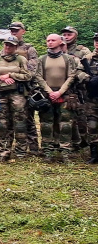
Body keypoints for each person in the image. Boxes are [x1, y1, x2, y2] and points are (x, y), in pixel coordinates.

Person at [35, 33, 79, 162]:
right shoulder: (42, 59)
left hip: (65, 96)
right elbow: (38, 77)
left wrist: (60, 92)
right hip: (47, 96)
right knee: (46, 125)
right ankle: (47, 151)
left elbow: (71, 76)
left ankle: (65, 151)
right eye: (48, 40)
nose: (50, 42)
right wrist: (50, 92)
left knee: (66, 125)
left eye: (53, 40)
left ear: (61, 42)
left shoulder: (68, 59)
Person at [0, 36, 32, 161]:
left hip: (17, 95)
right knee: (1, 123)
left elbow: (28, 75)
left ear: (16, 46)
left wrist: (11, 75)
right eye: (6, 45)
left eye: (11, 45)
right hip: (0, 94)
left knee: (19, 123)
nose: (8, 47)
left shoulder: (21, 59)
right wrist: (0, 78)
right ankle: (3, 151)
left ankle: (20, 152)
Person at [1, 21, 40, 154]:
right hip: (7, 89)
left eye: (16, 30)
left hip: (25, 89)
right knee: (9, 120)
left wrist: (12, 76)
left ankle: (33, 147)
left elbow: (32, 71)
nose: (14, 31)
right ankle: (9, 147)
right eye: (12, 30)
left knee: (27, 119)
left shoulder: (29, 49)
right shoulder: (4, 48)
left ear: (23, 31)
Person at [61, 26, 91, 150]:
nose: (67, 37)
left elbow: (90, 67)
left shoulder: (83, 51)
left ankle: (85, 142)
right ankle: (70, 142)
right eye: (65, 34)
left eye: (70, 34)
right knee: (66, 116)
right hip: (64, 88)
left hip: (80, 89)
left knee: (81, 116)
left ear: (75, 35)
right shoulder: (58, 49)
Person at [85, 33, 98, 163]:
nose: (97, 43)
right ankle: (94, 154)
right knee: (92, 125)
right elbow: (77, 72)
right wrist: (87, 78)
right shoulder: (87, 58)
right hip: (92, 99)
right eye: (96, 41)